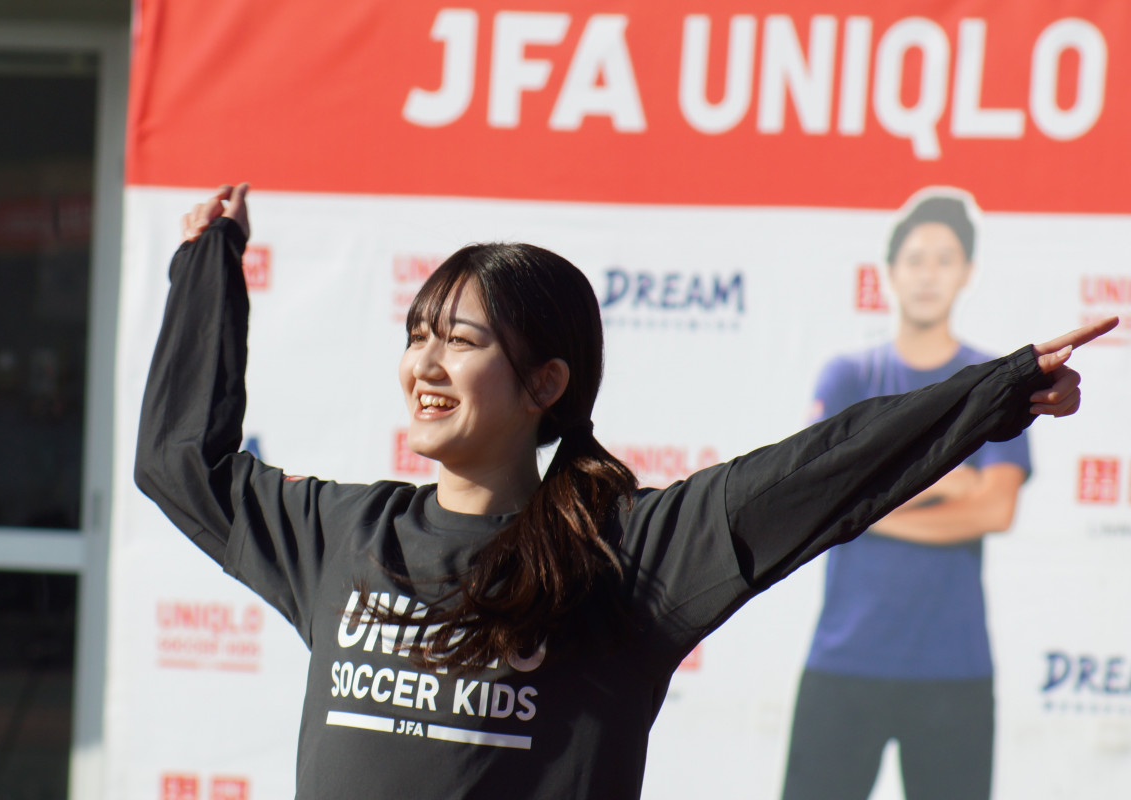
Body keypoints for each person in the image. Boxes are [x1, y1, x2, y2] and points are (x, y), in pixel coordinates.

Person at [135, 184, 1111, 800]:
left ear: (545, 382)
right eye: (416, 335)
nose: (424, 364)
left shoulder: (622, 556)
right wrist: (209, 268)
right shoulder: (340, 534)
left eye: (461, 340)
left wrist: (995, 392)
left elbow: (820, 472)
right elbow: (180, 463)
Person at [781, 189, 1033, 800]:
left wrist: (867, 502)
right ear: (890, 271)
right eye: (915, 259)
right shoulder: (850, 376)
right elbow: (820, 497)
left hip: (953, 669)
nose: (928, 275)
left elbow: (996, 507)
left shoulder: (994, 382)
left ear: (967, 272)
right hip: (845, 661)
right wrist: (948, 482)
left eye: (944, 260)